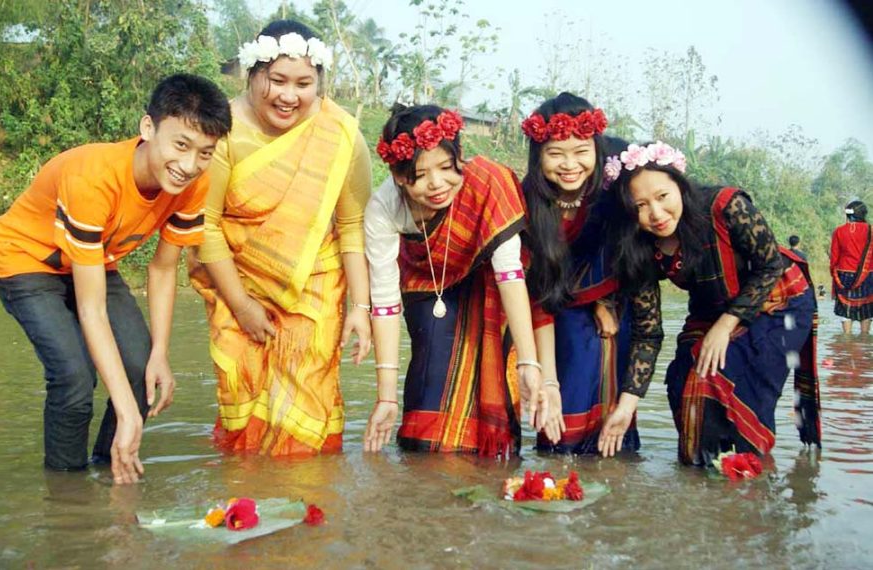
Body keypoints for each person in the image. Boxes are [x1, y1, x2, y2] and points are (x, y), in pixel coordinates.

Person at [0, 74, 232, 484]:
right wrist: (124, 408)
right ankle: (66, 493)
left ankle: (109, 467)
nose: (189, 165)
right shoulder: (93, 176)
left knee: (140, 371)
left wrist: (160, 354)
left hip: (94, 261)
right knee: (73, 377)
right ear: (148, 128)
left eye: (205, 153)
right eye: (180, 145)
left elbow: (162, 268)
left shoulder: (194, 185)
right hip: (26, 261)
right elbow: (91, 309)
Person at [188, 20, 372, 455]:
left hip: (316, 290)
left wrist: (360, 308)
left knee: (306, 409)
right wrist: (242, 305)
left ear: (319, 85)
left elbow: (350, 228)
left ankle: (310, 501)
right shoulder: (223, 131)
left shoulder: (340, 134)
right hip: (238, 286)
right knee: (244, 400)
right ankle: (246, 497)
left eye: (304, 84)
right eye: (277, 80)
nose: (289, 96)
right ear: (253, 74)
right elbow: (206, 225)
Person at [599, 141, 821, 466]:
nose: (656, 214)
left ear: (680, 186)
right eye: (640, 206)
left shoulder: (725, 205)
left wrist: (726, 325)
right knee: (681, 378)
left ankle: (746, 471)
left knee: (722, 377)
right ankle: (704, 475)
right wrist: (627, 405)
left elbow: (770, 265)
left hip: (778, 302)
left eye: (663, 197)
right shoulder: (639, 248)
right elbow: (648, 333)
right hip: (711, 308)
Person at [362, 104, 545, 455]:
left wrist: (528, 362)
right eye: (420, 174)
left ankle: (490, 466)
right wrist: (385, 397)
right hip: (423, 284)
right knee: (426, 409)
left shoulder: (487, 182)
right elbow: (384, 301)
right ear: (399, 175)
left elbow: (509, 274)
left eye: (447, 168)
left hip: (489, 287)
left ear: (460, 156)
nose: (437, 184)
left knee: (491, 409)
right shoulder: (383, 207)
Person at [519, 92, 639, 455]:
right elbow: (537, 291)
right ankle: (554, 467)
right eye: (556, 154)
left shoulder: (614, 189)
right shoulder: (527, 203)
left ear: (597, 150)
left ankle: (614, 471)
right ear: (538, 157)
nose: (569, 165)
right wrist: (549, 380)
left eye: (581, 152)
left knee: (611, 401)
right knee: (561, 407)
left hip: (614, 304)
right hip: (553, 310)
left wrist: (602, 300)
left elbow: (628, 258)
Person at [830, 201, 873, 334]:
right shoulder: (871, 230)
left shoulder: (839, 231)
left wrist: (833, 273)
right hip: (868, 274)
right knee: (866, 309)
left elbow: (834, 257)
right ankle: (864, 340)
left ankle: (846, 340)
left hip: (843, 275)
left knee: (845, 309)